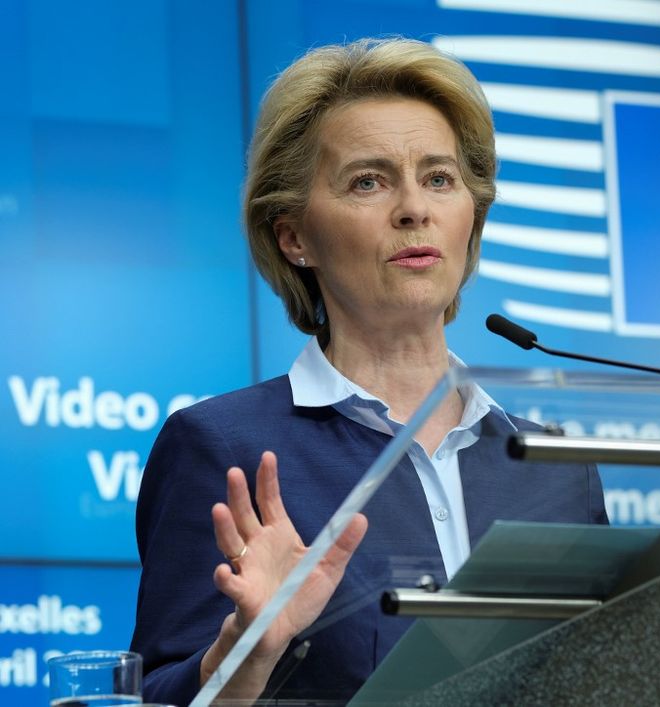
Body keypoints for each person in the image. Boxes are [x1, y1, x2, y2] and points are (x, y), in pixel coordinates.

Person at [130, 37, 609, 704]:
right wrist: (244, 653)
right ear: (293, 235)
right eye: (369, 181)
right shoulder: (223, 446)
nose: (415, 208)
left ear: (470, 220)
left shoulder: (555, 466)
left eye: (439, 178)